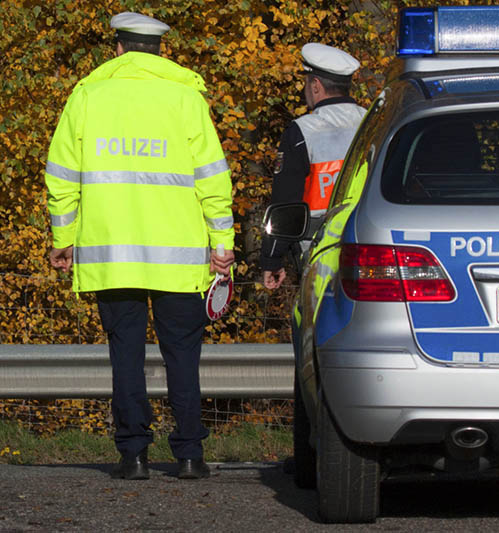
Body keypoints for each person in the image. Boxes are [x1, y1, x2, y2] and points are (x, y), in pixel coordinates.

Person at [45, 12, 235, 480]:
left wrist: (63, 239)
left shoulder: (88, 95)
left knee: (125, 355)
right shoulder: (186, 98)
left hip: (112, 258)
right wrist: (223, 244)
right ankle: (189, 455)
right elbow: (213, 177)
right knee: (183, 355)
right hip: (179, 257)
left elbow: (62, 174)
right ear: (159, 52)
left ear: (117, 50)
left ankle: (133, 455)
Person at [260, 43, 367, 289]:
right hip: (367, 244)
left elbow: (285, 202)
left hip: (319, 252)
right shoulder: (372, 120)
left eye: (307, 83)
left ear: (316, 85)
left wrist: (273, 258)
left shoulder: (302, 131)